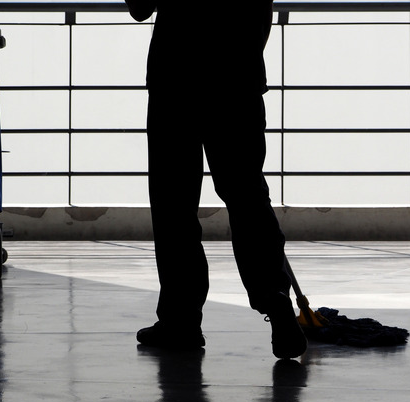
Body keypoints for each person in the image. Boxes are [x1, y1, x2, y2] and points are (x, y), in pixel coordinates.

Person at [125, 0, 307, 359]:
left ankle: (181, 319)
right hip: (238, 80)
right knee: (247, 196)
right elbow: (261, 10)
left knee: (174, 204)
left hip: (176, 80)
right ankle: (275, 297)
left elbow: (139, 5)